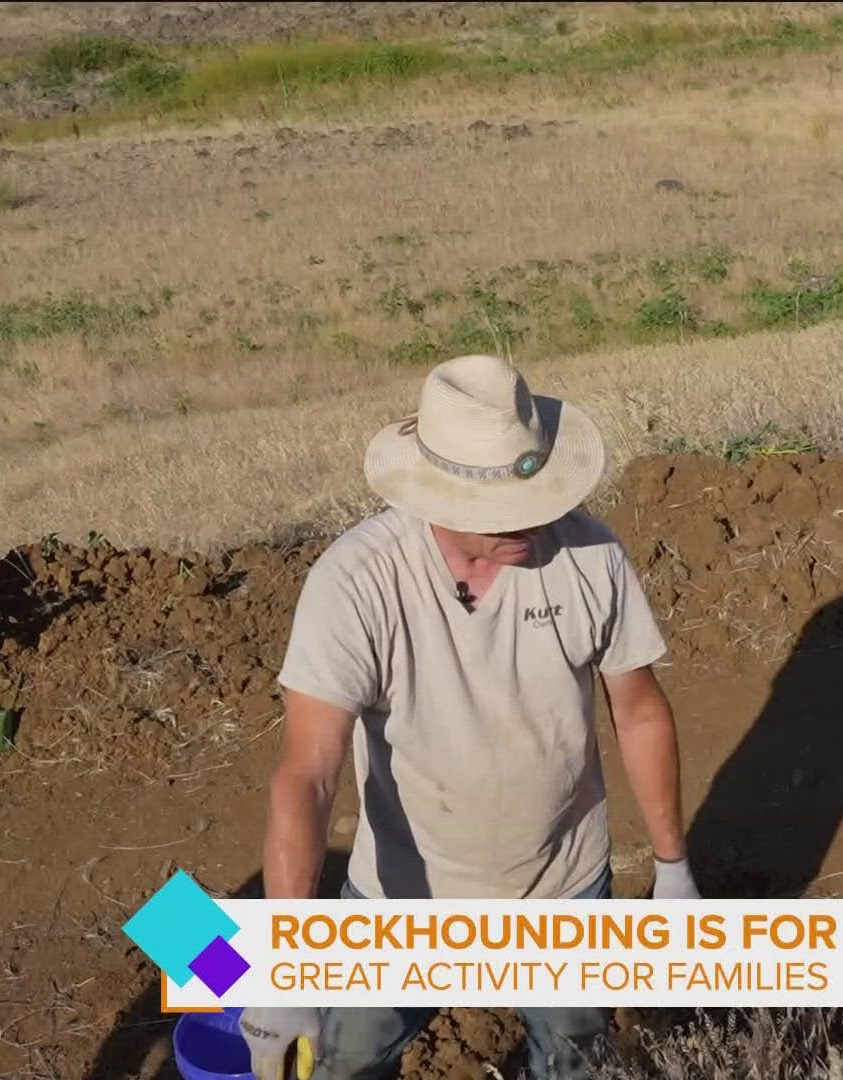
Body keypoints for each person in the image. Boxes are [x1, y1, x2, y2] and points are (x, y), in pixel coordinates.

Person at [239, 354, 699, 1080]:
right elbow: (307, 775)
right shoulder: (358, 583)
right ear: (438, 499)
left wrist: (674, 869)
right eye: (503, 517)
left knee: (578, 1065)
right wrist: (281, 968)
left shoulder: (591, 557)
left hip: (562, 887)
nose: (534, 523)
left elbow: (639, 714)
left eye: (539, 499)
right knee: (347, 1063)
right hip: (400, 901)